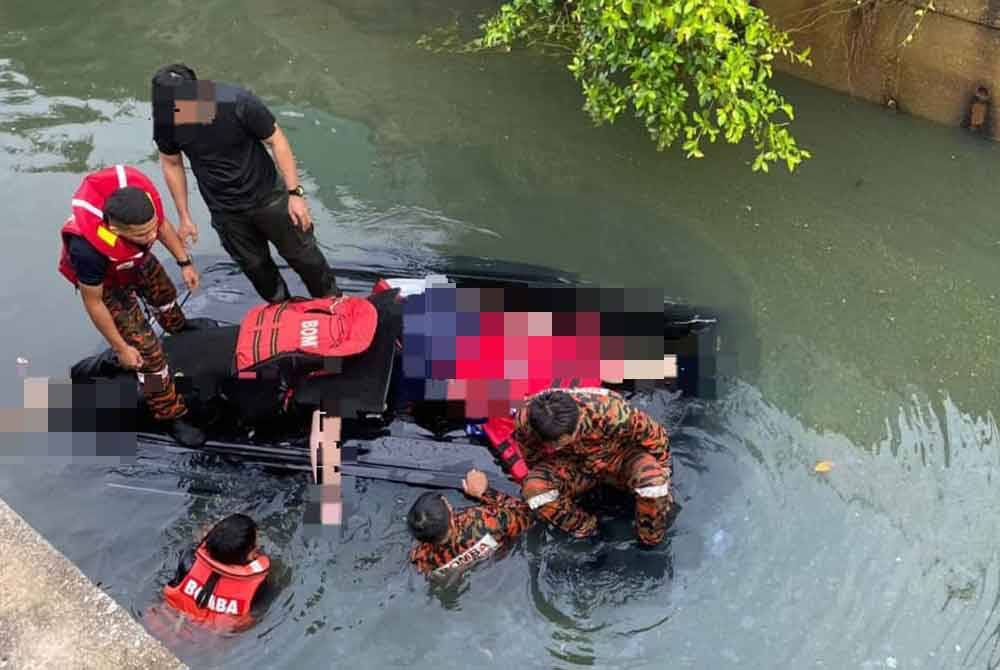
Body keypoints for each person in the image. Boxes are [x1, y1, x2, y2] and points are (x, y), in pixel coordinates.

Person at [151, 63, 341, 304]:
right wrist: (185, 216)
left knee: (303, 254)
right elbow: (171, 163)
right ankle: (282, 308)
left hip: (267, 196)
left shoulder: (236, 101)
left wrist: (295, 194)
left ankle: (332, 301)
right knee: (255, 266)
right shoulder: (167, 117)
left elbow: (276, 140)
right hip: (225, 210)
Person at [58, 165, 205, 446]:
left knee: (164, 292)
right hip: (107, 285)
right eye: (142, 234)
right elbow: (95, 303)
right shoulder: (87, 249)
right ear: (114, 228)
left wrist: (184, 262)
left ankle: (179, 326)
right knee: (148, 354)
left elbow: (160, 227)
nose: (151, 237)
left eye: (151, 229)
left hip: (132, 261)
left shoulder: (145, 222)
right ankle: (168, 412)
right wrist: (121, 347)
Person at [513, 388, 673, 546]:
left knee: (655, 485)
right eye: (552, 442)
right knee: (534, 490)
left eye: (562, 440)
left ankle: (649, 539)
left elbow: (656, 439)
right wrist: (556, 487)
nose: (556, 445)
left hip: (619, 457)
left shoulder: (612, 410)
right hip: (573, 464)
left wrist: (664, 476)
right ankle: (586, 530)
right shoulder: (526, 421)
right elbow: (533, 458)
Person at [408, 469, 535, 579]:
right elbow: (528, 513)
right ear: (451, 518)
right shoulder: (484, 521)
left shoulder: (422, 559)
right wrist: (484, 492)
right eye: (446, 503)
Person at [162, 513, 271, 631]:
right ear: (250, 555)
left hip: (163, 624)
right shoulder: (258, 585)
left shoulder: (188, 560)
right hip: (211, 641)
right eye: (256, 545)